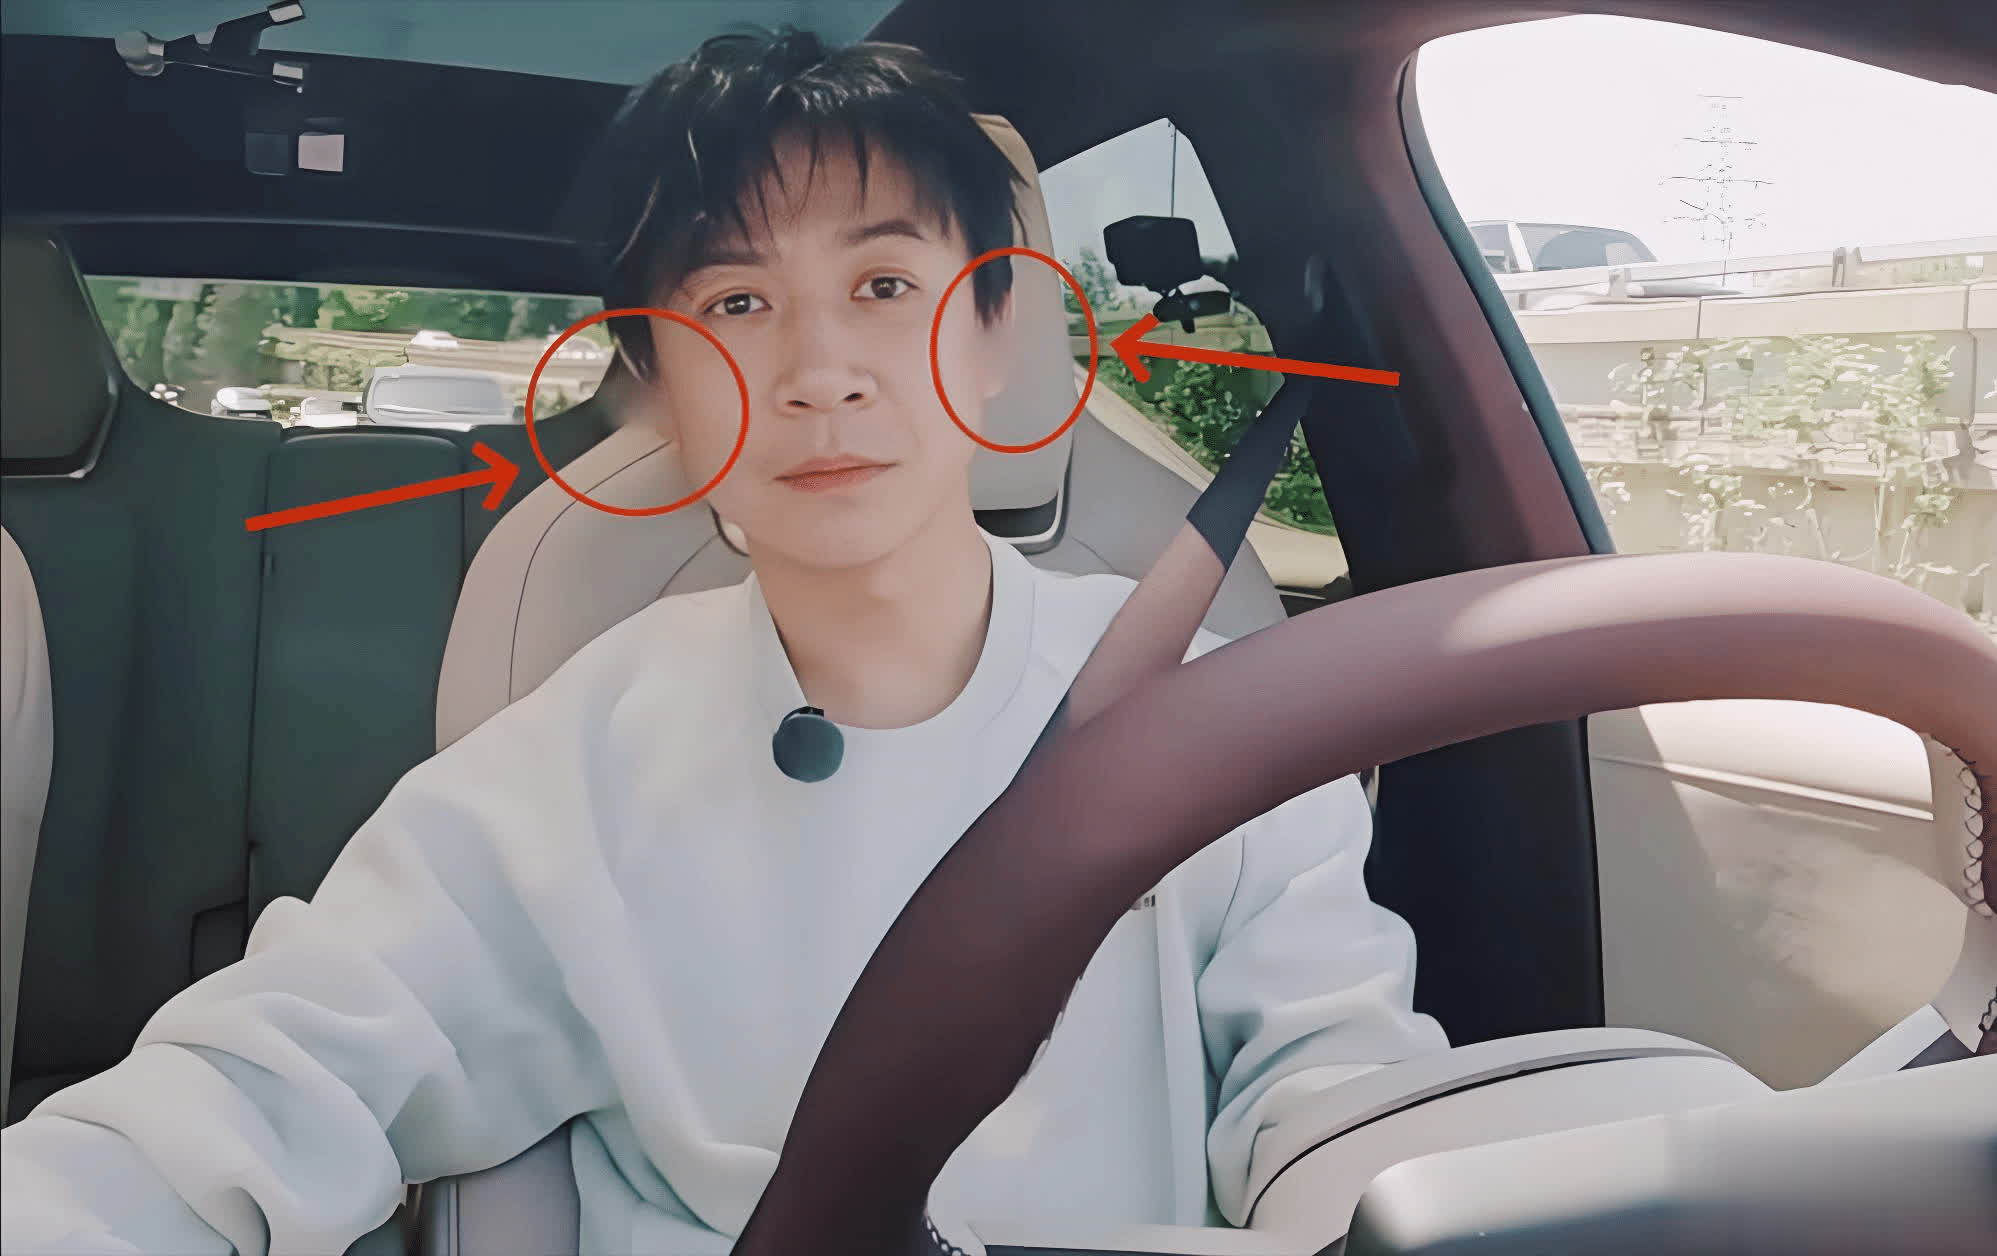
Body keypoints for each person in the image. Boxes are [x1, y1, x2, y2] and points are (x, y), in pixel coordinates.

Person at [0, 28, 1447, 1256]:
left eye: (885, 287)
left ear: (998, 328)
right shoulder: (574, 763)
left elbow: (1337, 1098)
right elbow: (261, 1085)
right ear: (657, 383)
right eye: (738, 303)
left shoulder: (1218, 723)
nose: (818, 374)